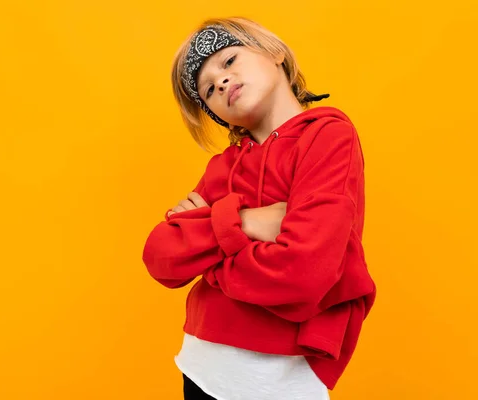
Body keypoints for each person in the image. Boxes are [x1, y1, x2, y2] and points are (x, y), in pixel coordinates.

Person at [142, 16, 376, 400]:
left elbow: (302, 275)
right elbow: (160, 257)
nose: (220, 81)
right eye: (208, 90)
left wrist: (208, 249)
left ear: (276, 53)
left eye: (229, 61)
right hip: (199, 366)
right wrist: (247, 221)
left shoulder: (328, 135)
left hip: (282, 378)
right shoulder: (223, 166)